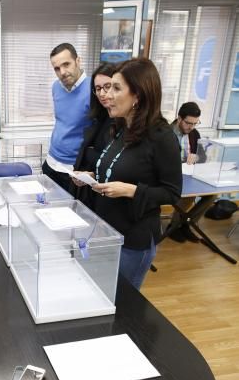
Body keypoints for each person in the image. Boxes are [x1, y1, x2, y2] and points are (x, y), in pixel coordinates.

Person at [81, 58, 182, 289]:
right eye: (107, 88)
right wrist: (92, 178)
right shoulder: (118, 129)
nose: (108, 95)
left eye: (116, 88)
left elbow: (173, 193)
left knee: (124, 306)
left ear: (138, 95)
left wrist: (132, 191)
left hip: (133, 241)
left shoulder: (162, 137)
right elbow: (117, 170)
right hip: (107, 231)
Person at [42, 43, 92, 194]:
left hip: (74, 169)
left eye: (66, 64)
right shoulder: (56, 87)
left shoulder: (94, 89)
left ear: (78, 61)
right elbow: (62, 122)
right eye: (57, 68)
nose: (62, 72)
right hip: (51, 162)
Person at [73, 63, 117, 204]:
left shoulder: (123, 122)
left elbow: (113, 162)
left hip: (110, 199)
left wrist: (91, 156)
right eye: (98, 89)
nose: (102, 94)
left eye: (108, 86)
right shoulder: (99, 117)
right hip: (89, 192)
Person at [168, 102, 205, 242]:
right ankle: (173, 227)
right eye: (188, 123)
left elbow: (203, 156)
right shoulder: (166, 133)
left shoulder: (194, 134)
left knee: (211, 196)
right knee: (186, 195)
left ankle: (186, 223)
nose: (191, 127)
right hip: (170, 177)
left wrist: (197, 156)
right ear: (179, 119)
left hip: (189, 176)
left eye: (195, 123)